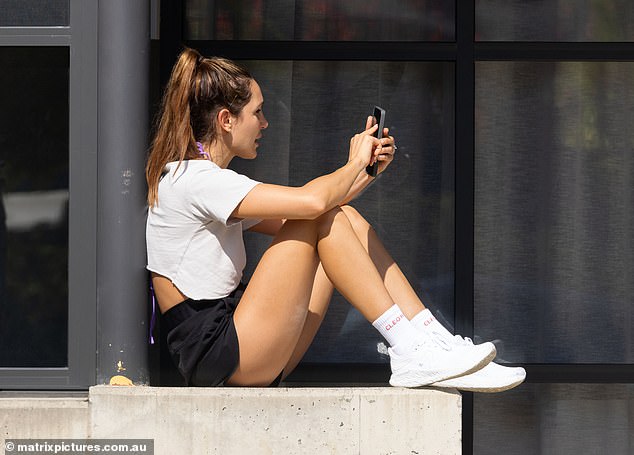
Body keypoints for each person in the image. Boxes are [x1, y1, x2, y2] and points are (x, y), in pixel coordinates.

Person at [145, 47, 525, 392]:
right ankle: (410, 347)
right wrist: (353, 163)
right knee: (321, 215)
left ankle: (432, 341)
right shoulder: (194, 180)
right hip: (221, 356)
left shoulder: (209, 183)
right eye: (257, 112)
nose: (265, 123)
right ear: (227, 120)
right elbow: (310, 205)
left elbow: (318, 212)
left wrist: (364, 172)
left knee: (338, 216)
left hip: (244, 350)